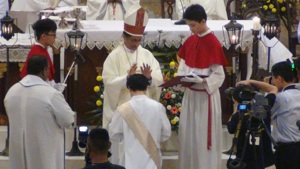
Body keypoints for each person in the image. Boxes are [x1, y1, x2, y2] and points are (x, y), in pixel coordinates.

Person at [102, 3, 163, 164]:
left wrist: (149, 79)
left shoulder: (147, 55)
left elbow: (159, 78)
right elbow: (108, 82)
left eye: (139, 40)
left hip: (146, 114)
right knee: (124, 156)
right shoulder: (114, 57)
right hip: (125, 114)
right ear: (124, 36)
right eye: (133, 40)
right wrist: (125, 79)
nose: (136, 44)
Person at [174, 4, 228, 169]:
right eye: (189, 25)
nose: (191, 29)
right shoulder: (190, 40)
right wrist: (180, 79)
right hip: (191, 96)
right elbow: (183, 66)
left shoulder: (213, 43)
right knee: (189, 136)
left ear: (203, 21)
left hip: (206, 98)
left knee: (203, 136)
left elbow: (219, 75)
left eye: (193, 25)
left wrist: (204, 81)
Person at [4, 55, 75, 169]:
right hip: (44, 153)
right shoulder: (51, 94)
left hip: (18, 152)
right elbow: (68, 120)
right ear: (44, 70)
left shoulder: (11, 92)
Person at [237, 61, 300, 169]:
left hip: (287, 150)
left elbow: (264, 109)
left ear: (279, 78)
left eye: (273, 79)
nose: (273, 82)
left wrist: (251, 81)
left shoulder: (281, 98)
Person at [109, 74, 171, 169]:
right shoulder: (158, 107)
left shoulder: (123, 109)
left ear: (129, 88)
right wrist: (155, 139)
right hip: (152, 161)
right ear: (146, 88)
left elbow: (114, 133)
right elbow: (166, 133)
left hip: (130, 161)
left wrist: (128, 138)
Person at [226, 84, 274, 169]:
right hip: (261, 158)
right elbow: (273, 89)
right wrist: (250, 82)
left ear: (235, 99)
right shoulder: (263, 112)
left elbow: (230, 128)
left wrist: (235, 110)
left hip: (244, 158)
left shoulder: (238, 116)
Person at [20, 18, 66, 92]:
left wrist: (55, 86)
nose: (55, 38)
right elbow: (40, 80)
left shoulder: (40, 49)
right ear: (44, 36)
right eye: (53, 35)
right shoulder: (38, 54)